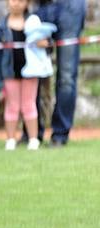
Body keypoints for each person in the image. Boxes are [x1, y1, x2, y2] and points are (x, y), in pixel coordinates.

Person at [0, 0, 52, 149]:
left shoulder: (34, 22)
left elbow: (48, 43)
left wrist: (46, 43)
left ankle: (33, 139)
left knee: (29, 105)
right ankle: (10, 139)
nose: (16, 3)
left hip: (30, 73)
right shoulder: (0, 28)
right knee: (12, 106)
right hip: (10, 74)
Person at [35, 0, 84, 145]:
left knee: (67, 76)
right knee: (31, 71)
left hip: (70, 7)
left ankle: (60, 134)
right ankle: (32, 133)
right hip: (39, 6)